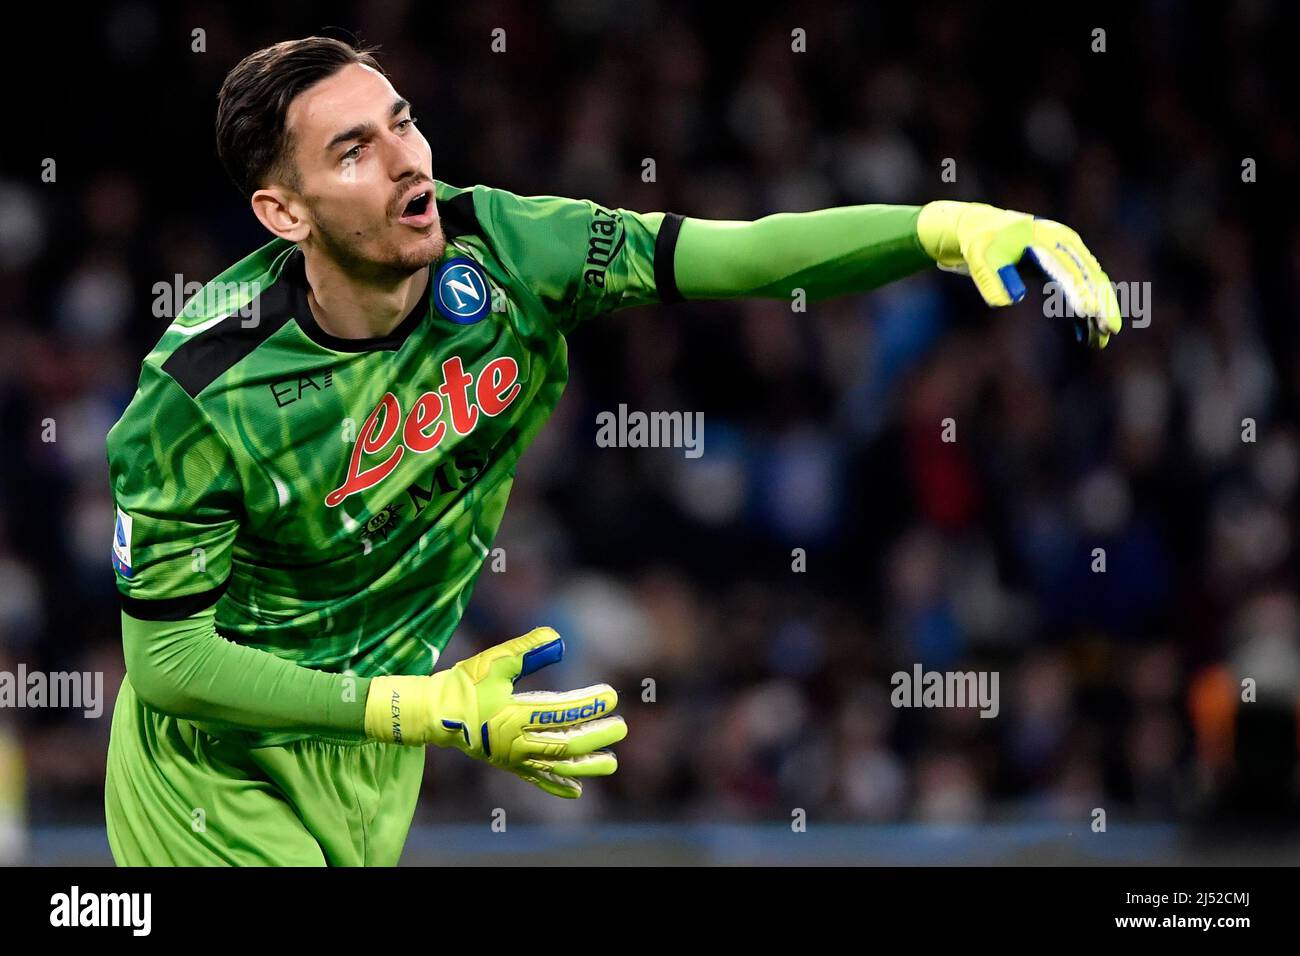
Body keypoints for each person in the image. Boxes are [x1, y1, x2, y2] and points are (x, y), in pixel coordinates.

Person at [104, 36, 1122, 866]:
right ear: (284, 213)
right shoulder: (198, 395)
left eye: (403, 120)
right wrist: (413, 708)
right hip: (212, 780)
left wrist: (941, 226)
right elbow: (169, 661)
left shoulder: (510, 248)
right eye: (353, 150)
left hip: (376, 760)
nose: (409, 157)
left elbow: (739, 253)